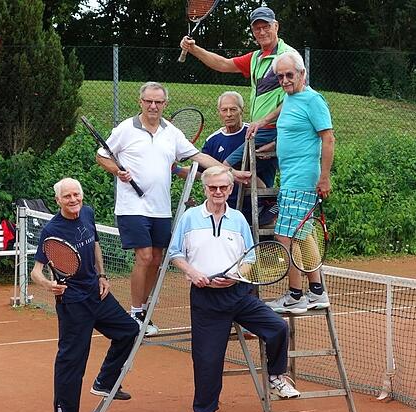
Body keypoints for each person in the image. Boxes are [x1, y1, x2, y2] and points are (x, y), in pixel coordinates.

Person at [96, 82, 250, 337]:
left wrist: (231, 172)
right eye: (148, 101)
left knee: (157, 260)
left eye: (158, 102)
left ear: (165, 104)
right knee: (144, 256)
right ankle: (134, 312)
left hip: (161, 209)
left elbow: (199, 158)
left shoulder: (172, 132)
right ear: (140, 102)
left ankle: (144, 311)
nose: (153, 106)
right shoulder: (125, 129)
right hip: (132, 207)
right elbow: (102, 155)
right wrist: (117, 170)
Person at [168, 166, 300, 412]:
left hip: (238, 294)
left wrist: (236, 276)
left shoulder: (238, 219)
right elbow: (174, 253)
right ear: (204, 188)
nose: (218, 192)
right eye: (213, 187)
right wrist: (193, 273)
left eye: (223, 188)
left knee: (277, 328)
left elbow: (249, 258)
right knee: (207, 360)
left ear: (230, 189)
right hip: (205, 299)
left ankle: (276, 376)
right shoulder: (190, 218)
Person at [30, 178, 139, 412]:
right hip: (72, 302)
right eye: (67, 196)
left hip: (97, 295)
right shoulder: (52, 231)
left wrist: (102, 275)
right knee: (72, 361)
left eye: (76, 194)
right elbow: (36, 271)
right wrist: (49, 286)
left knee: (129, 331)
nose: (73, 200)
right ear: (58, 200)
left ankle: (105, 380)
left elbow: (96, 245)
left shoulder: (87, 213)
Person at [180, 6, 292, 220]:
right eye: (257, 28)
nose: (261, 32)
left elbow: (296, 99)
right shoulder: (256, 58)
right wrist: (195, 50)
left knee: (226, 166)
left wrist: (265, 122)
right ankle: (264, 205)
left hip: (274, 128)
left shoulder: (288, 57)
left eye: (266, 26)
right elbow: (223, 64)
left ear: (276, 26)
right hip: (262, 129)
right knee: (239, 169)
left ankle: (269, 203)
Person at [250, 50, 335, 314]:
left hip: (302, 179)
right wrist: (267, 137)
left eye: (289, 75)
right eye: (280, 76)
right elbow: (287, 127)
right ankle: (314, 292)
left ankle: (298, 295)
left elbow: (328, 139)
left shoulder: (313, 100)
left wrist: (324, 177)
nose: (285, 80)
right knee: (301, 233)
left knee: (286, 236)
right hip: (290, 178)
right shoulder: (291, 99)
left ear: (302, 74)